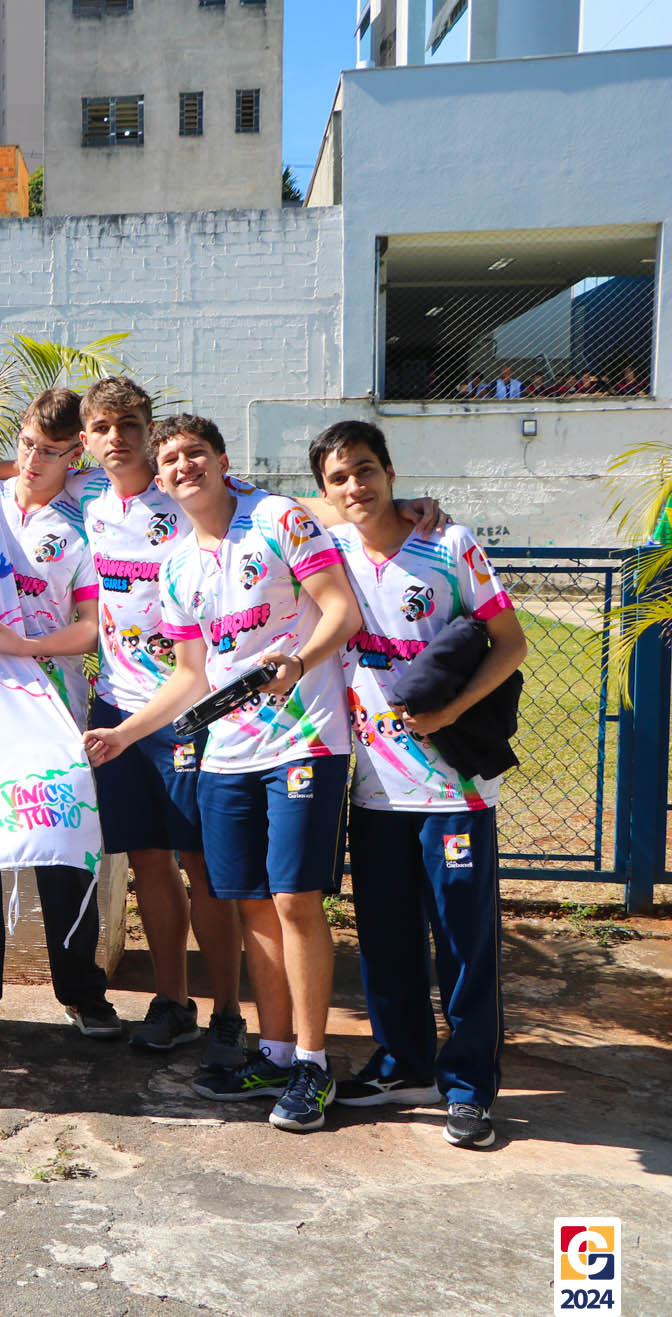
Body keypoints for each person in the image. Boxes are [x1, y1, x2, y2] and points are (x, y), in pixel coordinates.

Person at [84, 414, 363, 1133]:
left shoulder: (278, 519)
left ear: (222, 460)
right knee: (252, 905)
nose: (184, 466)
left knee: (295, 900)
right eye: (171, 458)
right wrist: (122, 734)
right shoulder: (177, 565)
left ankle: (313, 1064)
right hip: (228, 753)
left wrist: (299, 662)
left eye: (195, 453)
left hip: (305, 741)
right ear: (160, 474)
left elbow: (342, 609)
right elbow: (190, 677)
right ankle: (273, 1053)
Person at [313, 420, 527, 1149]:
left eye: (366, 470)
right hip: (374, 787)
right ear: (324, 491)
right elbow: (240, 495)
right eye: (339, 478)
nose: (356, 486)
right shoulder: (329, 552)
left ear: (391, 472)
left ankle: (468, 1088)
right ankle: (405, 1065)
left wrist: (451, 712)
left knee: (464, 943)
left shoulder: (449, 544)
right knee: (385, 939)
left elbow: (511, 644)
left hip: (452, 789)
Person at [74, 378, 247, 1065]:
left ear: (149, 430)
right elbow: (22, 469)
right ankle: (173, 1002)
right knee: (147, 861)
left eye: (129, 424)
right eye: (103, 427)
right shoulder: (87, 496)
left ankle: (229, 1011)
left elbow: (284, 508)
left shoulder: (185, 491)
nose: (117, 438)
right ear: (87, 440)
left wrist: (407, 508)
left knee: (203, 865)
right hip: (116, 708)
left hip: (188, 709)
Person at [0, 389, 118, 1046]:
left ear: (75, 454)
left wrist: (24, 646)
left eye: (50, 451)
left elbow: (91, 627)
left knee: (64, 852)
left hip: (53, 708)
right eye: (25, 445)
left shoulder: (85, 522)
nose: (32, 460)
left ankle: (83, 993)